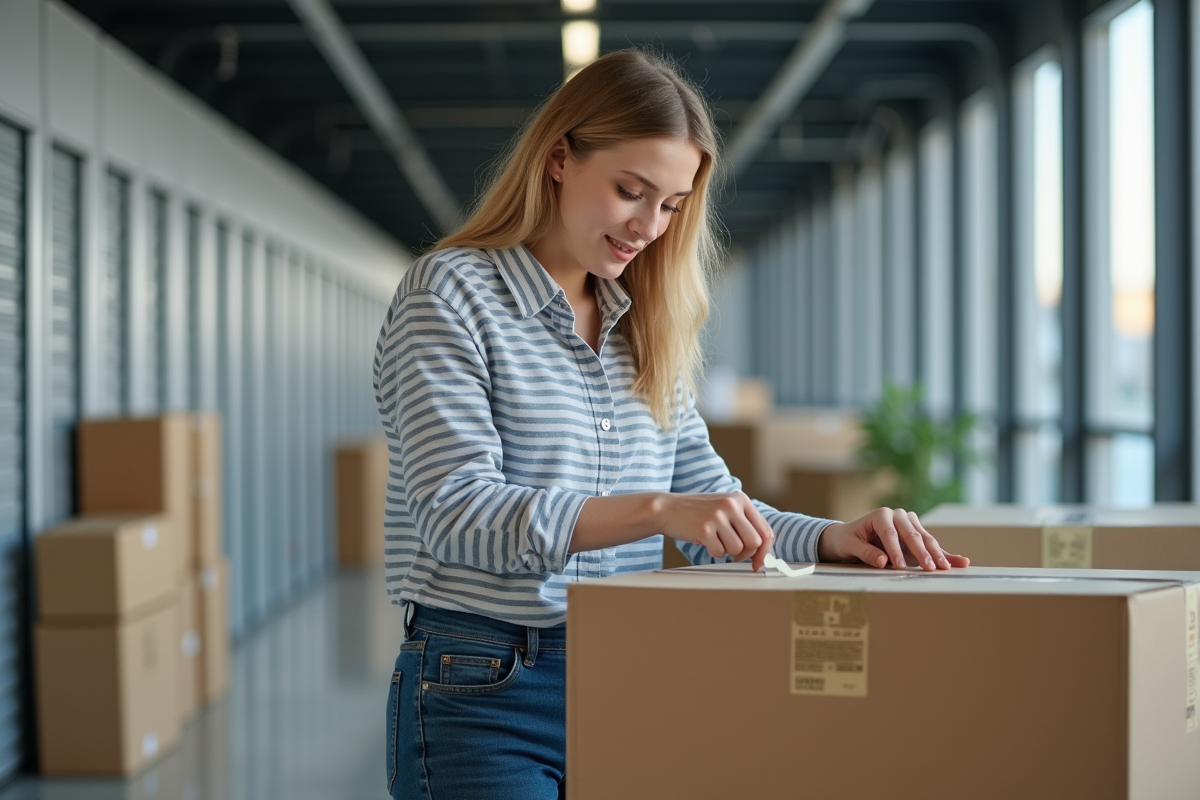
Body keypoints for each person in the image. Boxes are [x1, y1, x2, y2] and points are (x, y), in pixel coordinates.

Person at [373, 48, 969, 800]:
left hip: (627, 670)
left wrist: (829, 538)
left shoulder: (641, 327)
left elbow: (710, 512)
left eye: (671, 205)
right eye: (631, 190)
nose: (648, 226)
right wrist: (655, 510)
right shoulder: (451, 293)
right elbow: (457, 514)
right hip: (483, 686)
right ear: (559, 157)